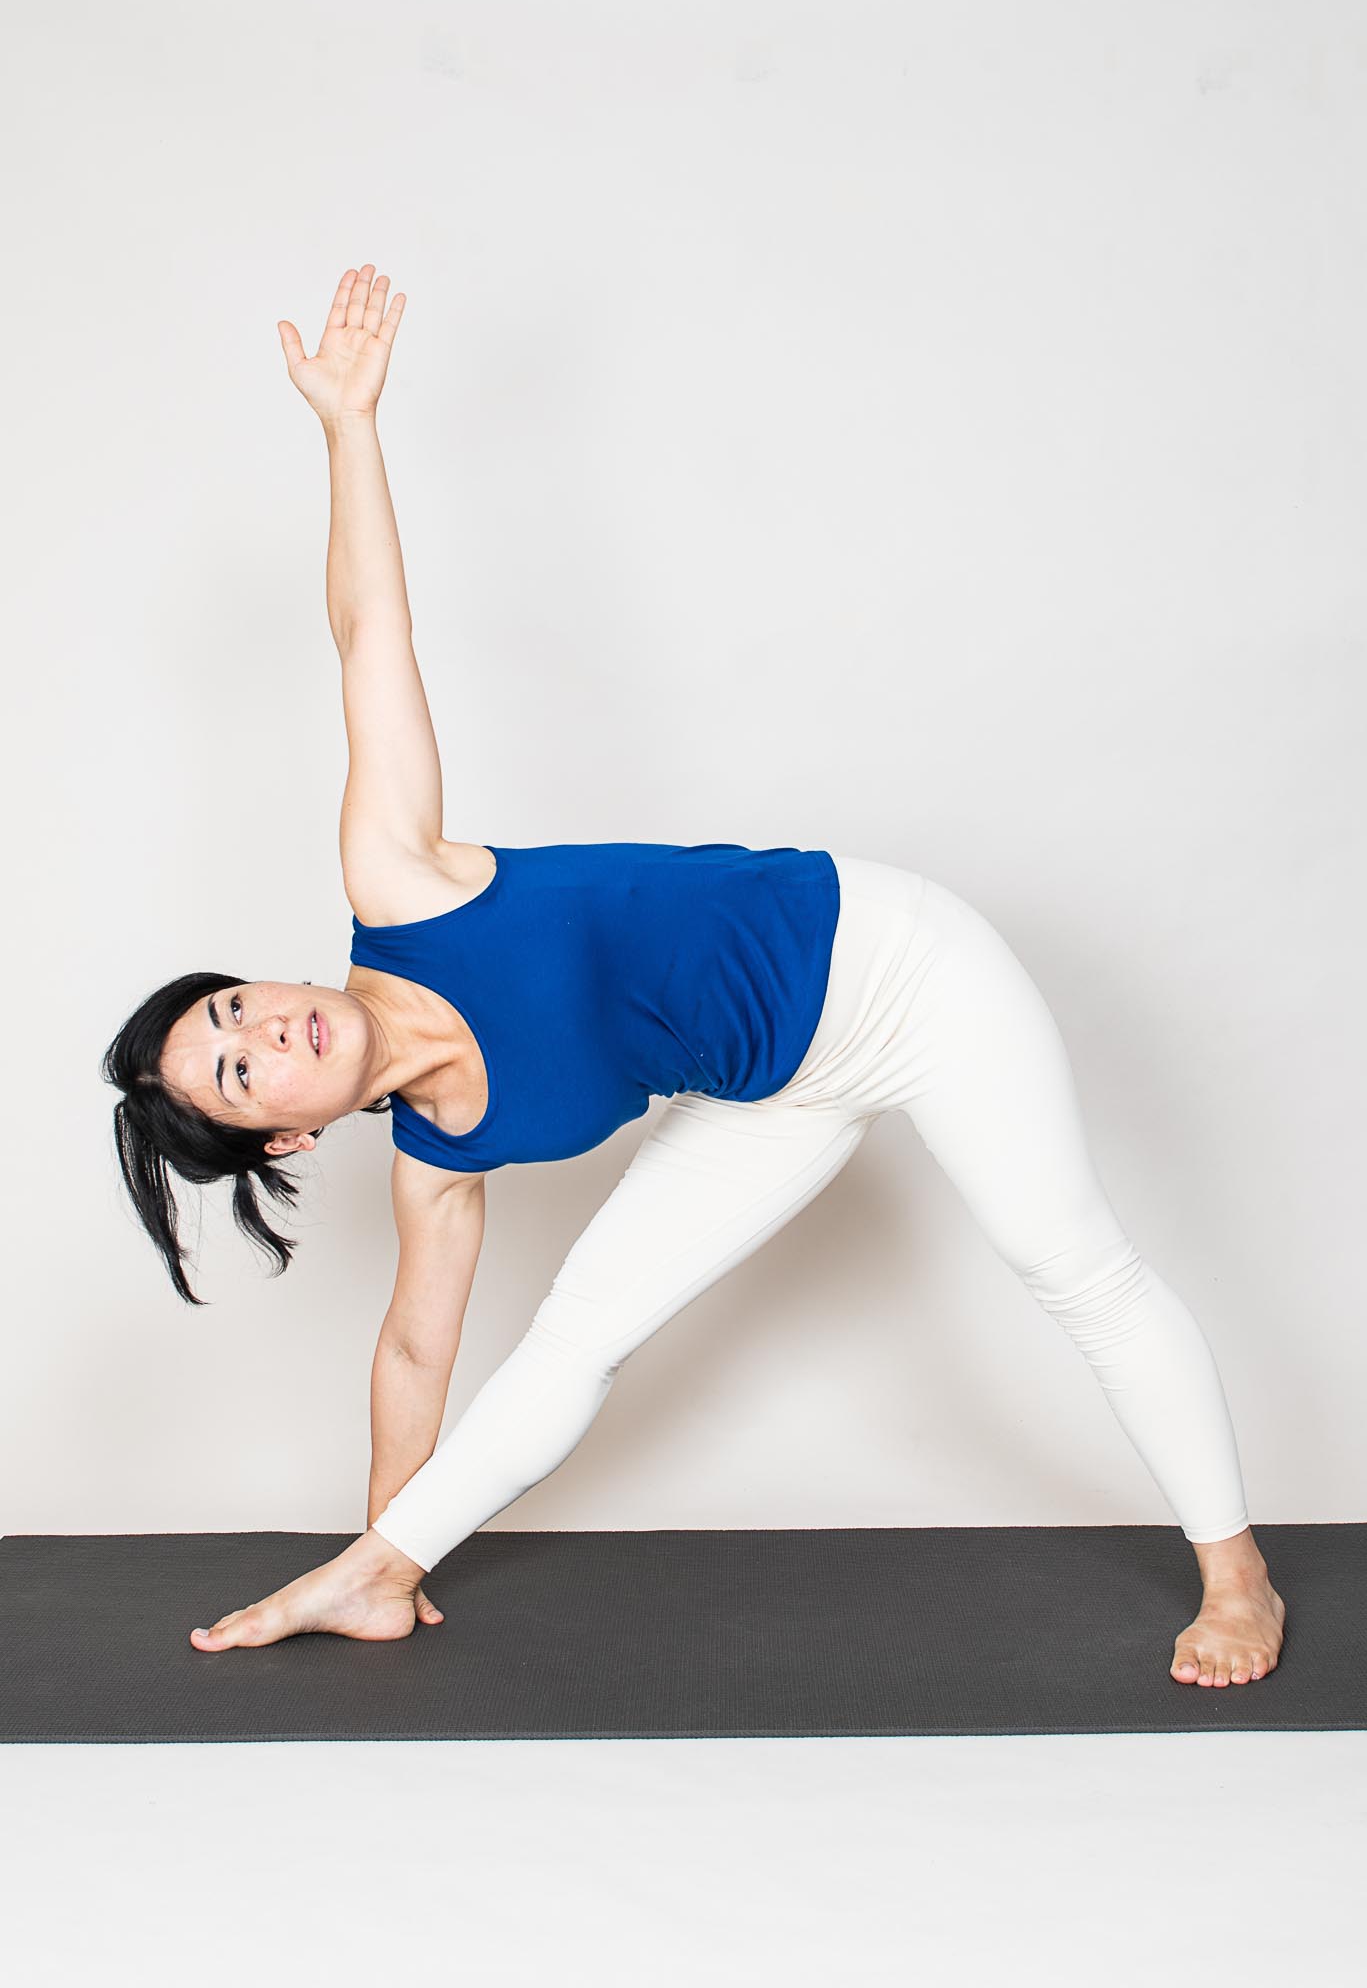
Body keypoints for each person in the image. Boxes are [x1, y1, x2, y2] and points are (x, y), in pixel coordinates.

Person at [104, 266, 1285, 1687]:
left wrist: (350, 429)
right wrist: (383, 1552)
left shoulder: (399, 882)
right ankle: (370, 1583)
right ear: (289, 1134)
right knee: (575, 1338)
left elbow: (370, 639)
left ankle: (1240, 1580)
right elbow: (417, 1356)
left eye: (234, 1006)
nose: (263, 1027)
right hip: (769, 1092)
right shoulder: (437, 1157)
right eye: (241, 1070)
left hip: (898, 970)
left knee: (1065, 1259)